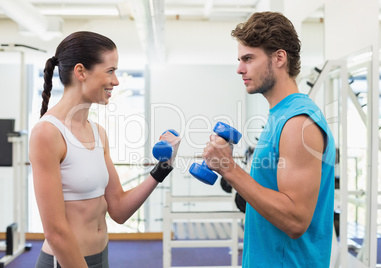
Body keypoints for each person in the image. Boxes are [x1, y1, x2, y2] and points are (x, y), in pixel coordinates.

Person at [29, 31, 180, 268]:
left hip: (100, 258)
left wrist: (163, 167)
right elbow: (56, 232)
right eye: (110, 71)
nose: (116, 81)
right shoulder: (47, 133)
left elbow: (118, 209)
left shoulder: (98, 132)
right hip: (66, 262)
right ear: (81, 72)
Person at [202, 12, 335, 267]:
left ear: (279, 58)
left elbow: (296, 220)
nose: (240, 68)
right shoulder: (280, 116)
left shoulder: (298, 123)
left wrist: (229, 168)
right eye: (240, 59)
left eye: (249, 59)